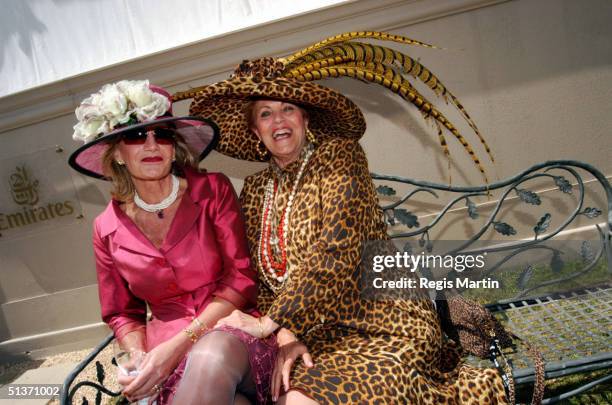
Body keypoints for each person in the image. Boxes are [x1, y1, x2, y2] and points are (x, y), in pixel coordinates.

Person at [180, 59, 510, 404]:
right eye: (265, 114)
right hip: (316, 334)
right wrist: (284, 332)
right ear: (255, 131)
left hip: (383, 322)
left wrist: (270, 323)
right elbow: (261, 280)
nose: (278, 120)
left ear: (305, 120)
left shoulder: (341, 157)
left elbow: (338, 250)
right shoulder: (255, 189)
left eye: (287, 109)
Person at [68, 80, 277, 405]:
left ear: (173, 147)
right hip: (162, 351)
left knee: (209, 357)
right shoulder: (105, 228)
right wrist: (138, 356)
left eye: (162, 135)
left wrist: (179, 345)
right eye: (136, 136)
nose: (152, 145)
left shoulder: (212, 191)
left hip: (230, 332)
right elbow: (122, 313)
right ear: (118, 154)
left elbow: (240, 279)